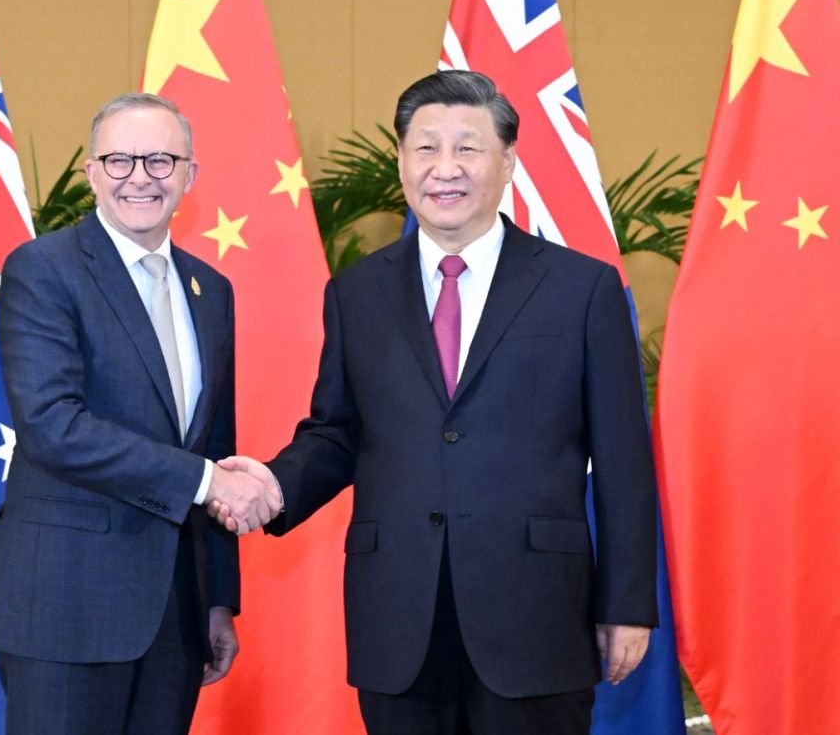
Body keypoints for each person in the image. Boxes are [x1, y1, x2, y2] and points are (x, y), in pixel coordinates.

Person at [215, 70, 657, 734]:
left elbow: (624, 461)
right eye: (425, 148)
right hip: (399, 617)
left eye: (467, 148)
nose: (444, 168)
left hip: (534, 616)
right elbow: (339, 432)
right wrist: (276, 485)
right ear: (400, 161)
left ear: (507, 161)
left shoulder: (580, 289)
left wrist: (626, 603)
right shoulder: (358, 293)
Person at [0, 92, 281, 734]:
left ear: (190, 174)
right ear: (91, 172)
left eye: (161, 160)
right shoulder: (44, 269)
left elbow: (214, 443)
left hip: (175, 612)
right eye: (118, 160)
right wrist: (206, 483)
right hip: (64, 605)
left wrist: (218, 596)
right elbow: (53, 426)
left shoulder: (210, 289)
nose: (139, 177)